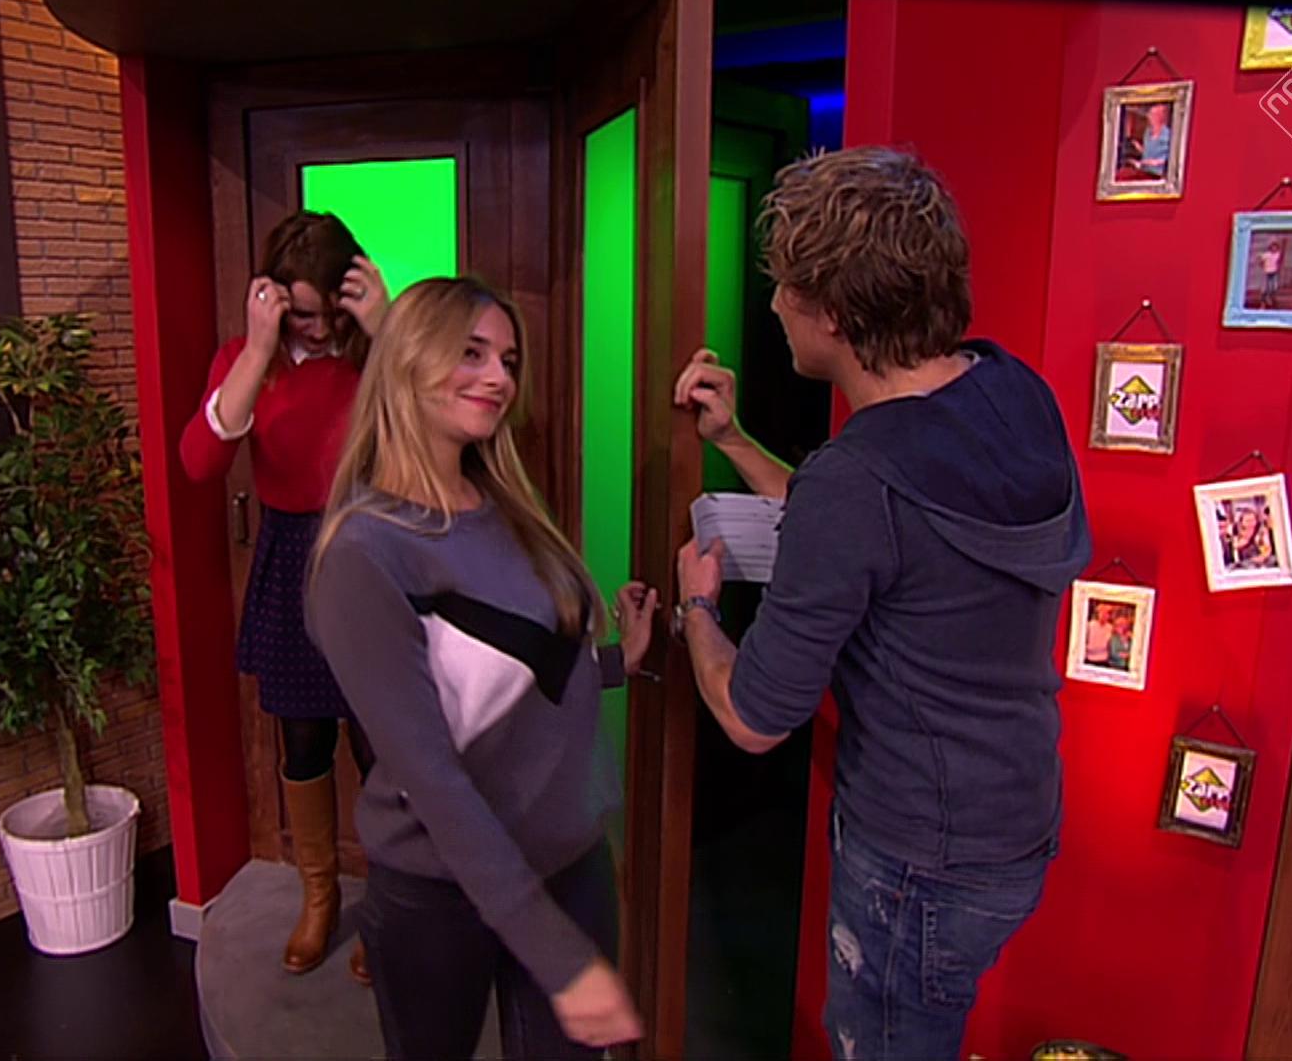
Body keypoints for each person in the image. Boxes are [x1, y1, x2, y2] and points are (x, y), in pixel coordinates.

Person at [670, 145, 1091, 1060]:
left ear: (832, 312)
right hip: (1015, 821)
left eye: (786, 288)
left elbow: (752, 717)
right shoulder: (1012, 392)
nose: (774, 305)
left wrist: (696, 610)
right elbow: (883, 532)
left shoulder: (861, 480)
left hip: (918, 860)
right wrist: (733, 440)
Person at [304, 277, 655, 1060]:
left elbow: (515, 665)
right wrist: (555, 953)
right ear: (407, 360)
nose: (498, 377)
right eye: (471, 353)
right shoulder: (365, 553)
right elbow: (431, 777)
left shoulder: (504, 503)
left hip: (570, 863)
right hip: (441, 888)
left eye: (508, 360)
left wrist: (613, 662)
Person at [177, 210, 390, 983]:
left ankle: (386, 906)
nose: (319, 327)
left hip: (373, 553)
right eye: (301, 312)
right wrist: (262, 347)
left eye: (330, 310)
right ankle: (319, 898)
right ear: (270, 297)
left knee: (380, 746)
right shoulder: (249, 359)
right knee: (304, 743)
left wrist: (388, 329)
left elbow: (446, 423)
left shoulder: (377, 352)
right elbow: (200, 462)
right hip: (292, 554)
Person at [1257, 239, 1284, 309]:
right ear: (1270, 247)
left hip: (1274, 272)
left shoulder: (1278, 254)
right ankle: (1262, 303)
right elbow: (1260, 259)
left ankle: (1270, 300)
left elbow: (1279, 261)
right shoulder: (1267, 254)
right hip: (1267, 272)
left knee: (1273, 288)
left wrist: (1278, 268)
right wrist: (1263, 266)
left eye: (1275, 247)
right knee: (1265, 288)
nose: (1274, 249)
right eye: (1273, 247)